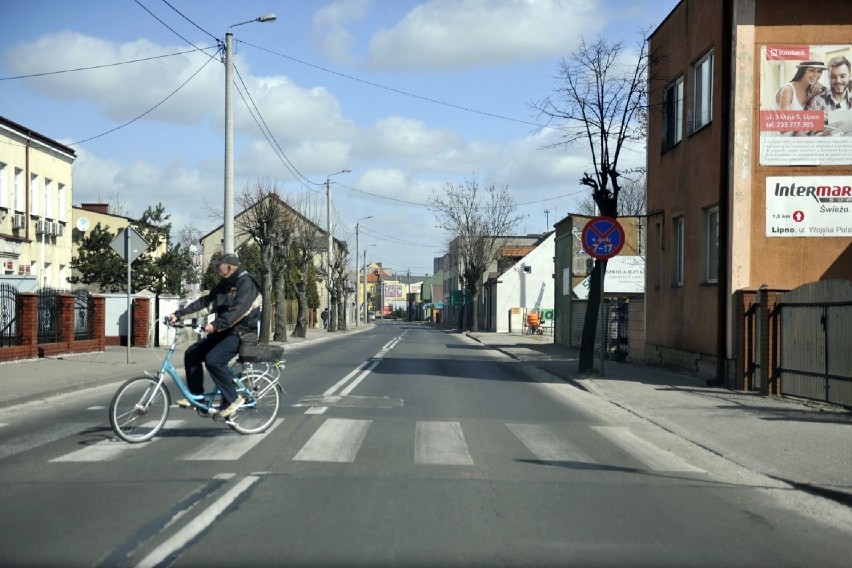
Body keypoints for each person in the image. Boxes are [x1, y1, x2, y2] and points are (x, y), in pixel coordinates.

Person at [169, 253, 260, 419]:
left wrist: (216, 325)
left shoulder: (247, 283)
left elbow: (239, 310)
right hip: (224, 330)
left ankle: (234, 399)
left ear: (230, 267)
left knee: (213, 360)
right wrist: (179, 314)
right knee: (192, 353)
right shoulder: (225, 284)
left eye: (220, 266)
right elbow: (206, 303)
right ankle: (198, 398)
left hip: (241, 332)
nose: (217, 270)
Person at [804, 55, 852, 135]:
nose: (838, 81)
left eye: (842, 76)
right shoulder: (816, 102)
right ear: (828, 77)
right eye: (833, 77)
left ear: (850, 76)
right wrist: (819, 137)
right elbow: (803, 134)